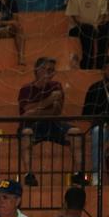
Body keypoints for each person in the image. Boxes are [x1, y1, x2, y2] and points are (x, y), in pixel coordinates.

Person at [19, 57, 83, 187]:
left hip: (53, 123)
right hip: (32, 125)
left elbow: (56, 112)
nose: (49, 73)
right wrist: (49, 100)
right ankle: (29, 174)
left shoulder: (56, 86)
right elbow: (26, 113)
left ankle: (78, 174)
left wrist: (37, 111)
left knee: (76, 132)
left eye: (52, 70)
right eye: (46, 70)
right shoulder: (26, 89)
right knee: (26, 133)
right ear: (37, 70)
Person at [66, 0, 108, 70]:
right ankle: (87, 64)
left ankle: (100, 63)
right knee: (88, 30)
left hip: (96, 26)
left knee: (106, 30)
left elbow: (103, 15)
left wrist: (96, 25)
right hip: (77, 28)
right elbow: (75, 18)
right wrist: (92, 26)